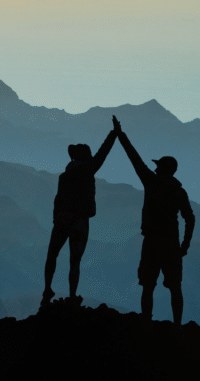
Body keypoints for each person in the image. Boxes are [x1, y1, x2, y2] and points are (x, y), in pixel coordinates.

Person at [114, 115, 195, 326]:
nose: (156, 168)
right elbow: (190, 218)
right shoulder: (180, 192)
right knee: (175, 287)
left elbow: (134, 158)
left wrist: (120, 134)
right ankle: (177, 325)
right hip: (171, 243)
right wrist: (185, 244)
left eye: (158, 166)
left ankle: (145, 321)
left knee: (148, 285)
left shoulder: (150, 181)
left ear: (161, 168)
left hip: (151, 242)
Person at [41, 116, 119, 307]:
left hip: (61, 220)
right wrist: (114, 133)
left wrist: (56, 219)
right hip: (79, 221)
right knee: (74, 261)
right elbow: (103, 153)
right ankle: (72, 294)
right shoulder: (87, 170)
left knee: (52, 255)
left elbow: (57, 200)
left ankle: (47, 289)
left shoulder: (65, 176)